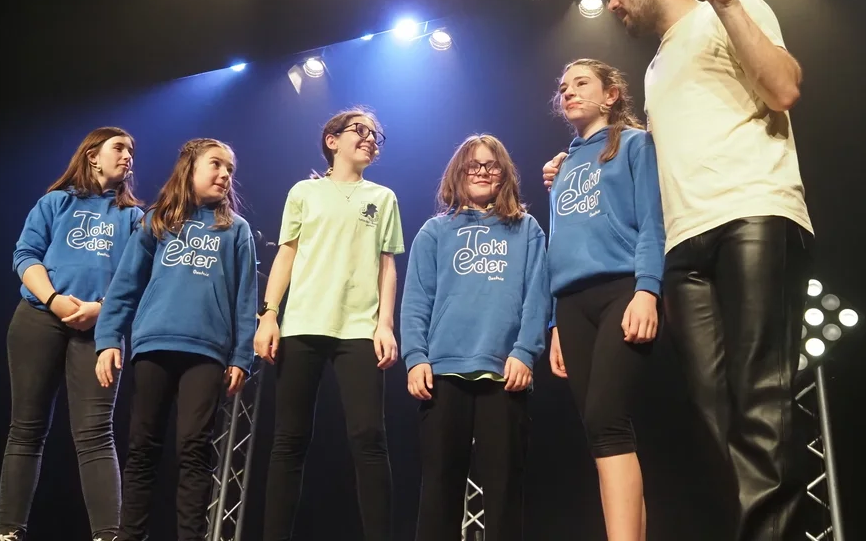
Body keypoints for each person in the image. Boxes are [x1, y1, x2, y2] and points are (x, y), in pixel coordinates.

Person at [542, 0, 812, 541]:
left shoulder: (732, 9)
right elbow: (645, 165)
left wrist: (727, 2)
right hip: (684, 244)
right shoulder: (659, 64)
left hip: (751, 214)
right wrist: (573, 166)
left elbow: (784, 87)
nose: (613, 2)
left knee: (760, 404)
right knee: (713, 418)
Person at [93, 138, 258, 541]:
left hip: (207, 353)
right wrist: (108, 337)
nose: (225, 174)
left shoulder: (235, 230)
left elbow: (245, 299)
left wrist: (241, 357)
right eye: (216, 164)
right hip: (154, 345)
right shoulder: (157, 220)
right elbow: (125, 284)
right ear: (190, 168)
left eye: (230, 169)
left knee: (194, 448)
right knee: (143, 447)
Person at [254, 107, 405, 541]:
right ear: (332, 140)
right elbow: (287, 253)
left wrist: (385, 324)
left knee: (369, 437)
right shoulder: (304, 192)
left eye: (376, 135)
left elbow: (387, 265)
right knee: (289, 439)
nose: (370, 139)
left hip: (359, 328)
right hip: (302, 323)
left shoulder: (384, 197)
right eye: (361, 130)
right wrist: (269, 314)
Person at [0, 127, 143, 541]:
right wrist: (54, 299)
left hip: (100, 329)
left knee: (96, 433)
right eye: (119, 148)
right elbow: (25, 255)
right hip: (39, 317)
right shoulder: (56, 202)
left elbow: (137, 277)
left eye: (132, 151)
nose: (128, 156)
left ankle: (108, 535)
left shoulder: (134, 217)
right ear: (93, 155)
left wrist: (102, 310)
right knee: (26, 429)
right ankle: (7, 532)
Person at [401, 134, 551, 541]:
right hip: (442, 374)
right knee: (439, 493)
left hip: (505, 373)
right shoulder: (434, 232)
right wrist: (416, 358)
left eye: (492, 165)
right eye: (473, 165)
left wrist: (525, 351)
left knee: (504, 493)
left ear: (505, 174)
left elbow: (538, 297)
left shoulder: (526, 229)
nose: (482, 172)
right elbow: (416, 301)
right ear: (458, 173)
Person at [545, 60, 664, 541]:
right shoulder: (562, 166)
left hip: (621, 290)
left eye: (581, 83)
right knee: (600, 431)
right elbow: (561, 241)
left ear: (611, 94)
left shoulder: (635, 144)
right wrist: (554, 322)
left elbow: (652, 221)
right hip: (571, 303)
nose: (568, 92)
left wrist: (647, 290)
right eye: (563, 87)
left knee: (606, 418)